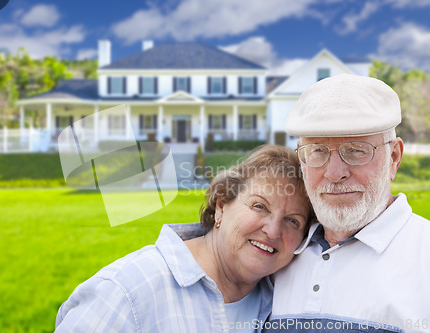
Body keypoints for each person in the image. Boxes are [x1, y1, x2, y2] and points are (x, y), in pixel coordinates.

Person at [55, 145, 313, 332]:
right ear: (221, 206)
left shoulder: (284, 302)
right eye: (259, 206)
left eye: (293, 221)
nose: (273, 230)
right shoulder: (125, 291)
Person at [267, 74, 430, 332]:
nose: (334, 173)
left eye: (356, 150)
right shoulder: (276, 254)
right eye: (318, 151)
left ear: (394, 157)